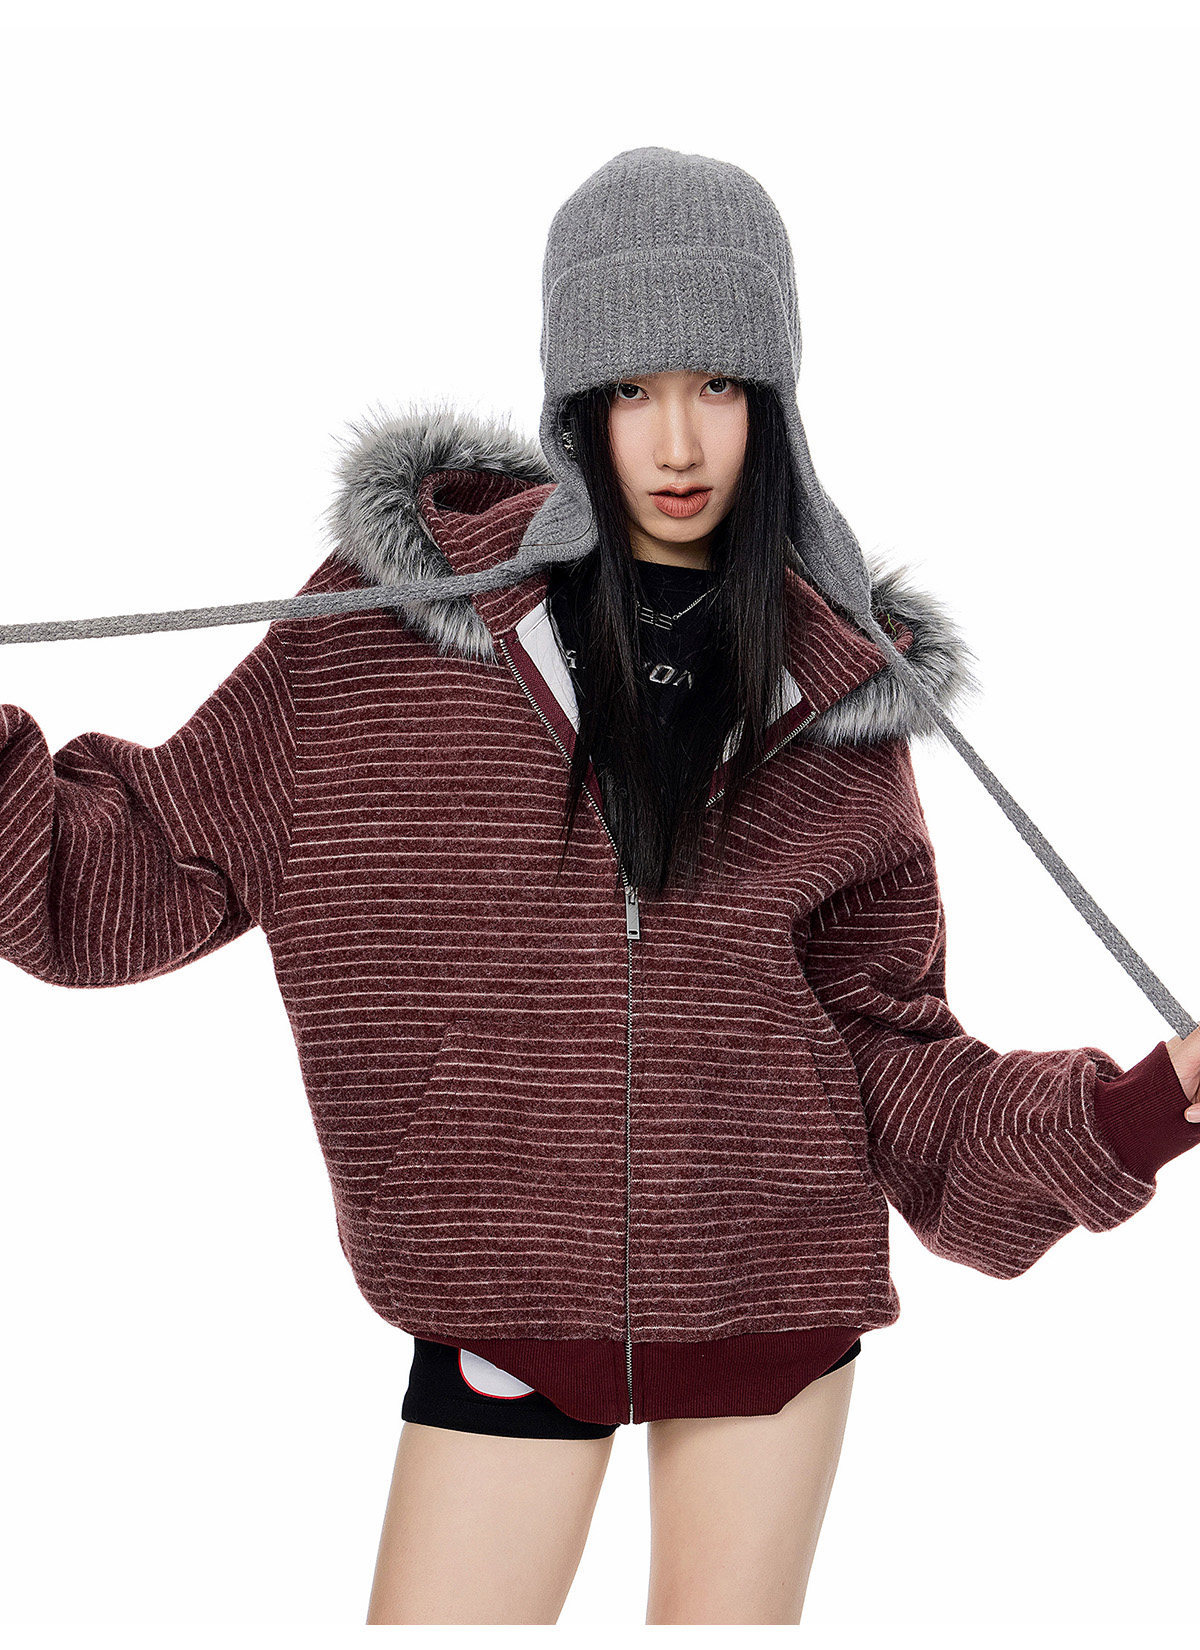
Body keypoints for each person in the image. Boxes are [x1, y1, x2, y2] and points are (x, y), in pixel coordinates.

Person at [3, 146, 1199, 1627]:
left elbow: (892, 1065)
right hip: (503, 1309)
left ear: (776, 404)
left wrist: (1143, 1109)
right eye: (632, 389)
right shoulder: (386, 637)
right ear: (574, 401)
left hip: (772, 1313)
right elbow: (118, 874)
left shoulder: (832, 693)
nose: (679, 439)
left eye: (721, 385)